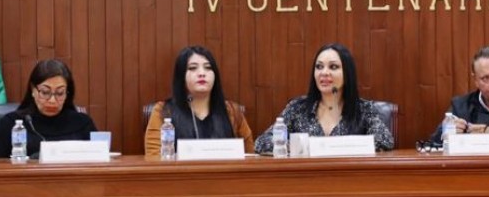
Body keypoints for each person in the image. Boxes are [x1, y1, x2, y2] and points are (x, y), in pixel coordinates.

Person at [254, 43, 394, 153]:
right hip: (305, 182)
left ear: (347, 74)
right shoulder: (297, 108)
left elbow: (384, 140)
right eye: (319, 67)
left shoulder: (363, 109)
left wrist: (332, 147)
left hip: (350, 181)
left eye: (333, 67)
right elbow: (262, 142)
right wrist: (293, 147)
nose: (324, 73)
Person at [145, 45, 253, 154]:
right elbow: (154, 158)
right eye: (192, 68)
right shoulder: (163, 111)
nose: (202, 73)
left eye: (208, 67)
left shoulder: (232, 111)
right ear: (181, 76)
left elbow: (250, 157)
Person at [0, 59, 97, 158]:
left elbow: (100, 162)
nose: (52, 100)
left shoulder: (83, 124)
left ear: (67, 93)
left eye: (59, 93)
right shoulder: (11, 124)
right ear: (33, 90)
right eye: (45, 92)